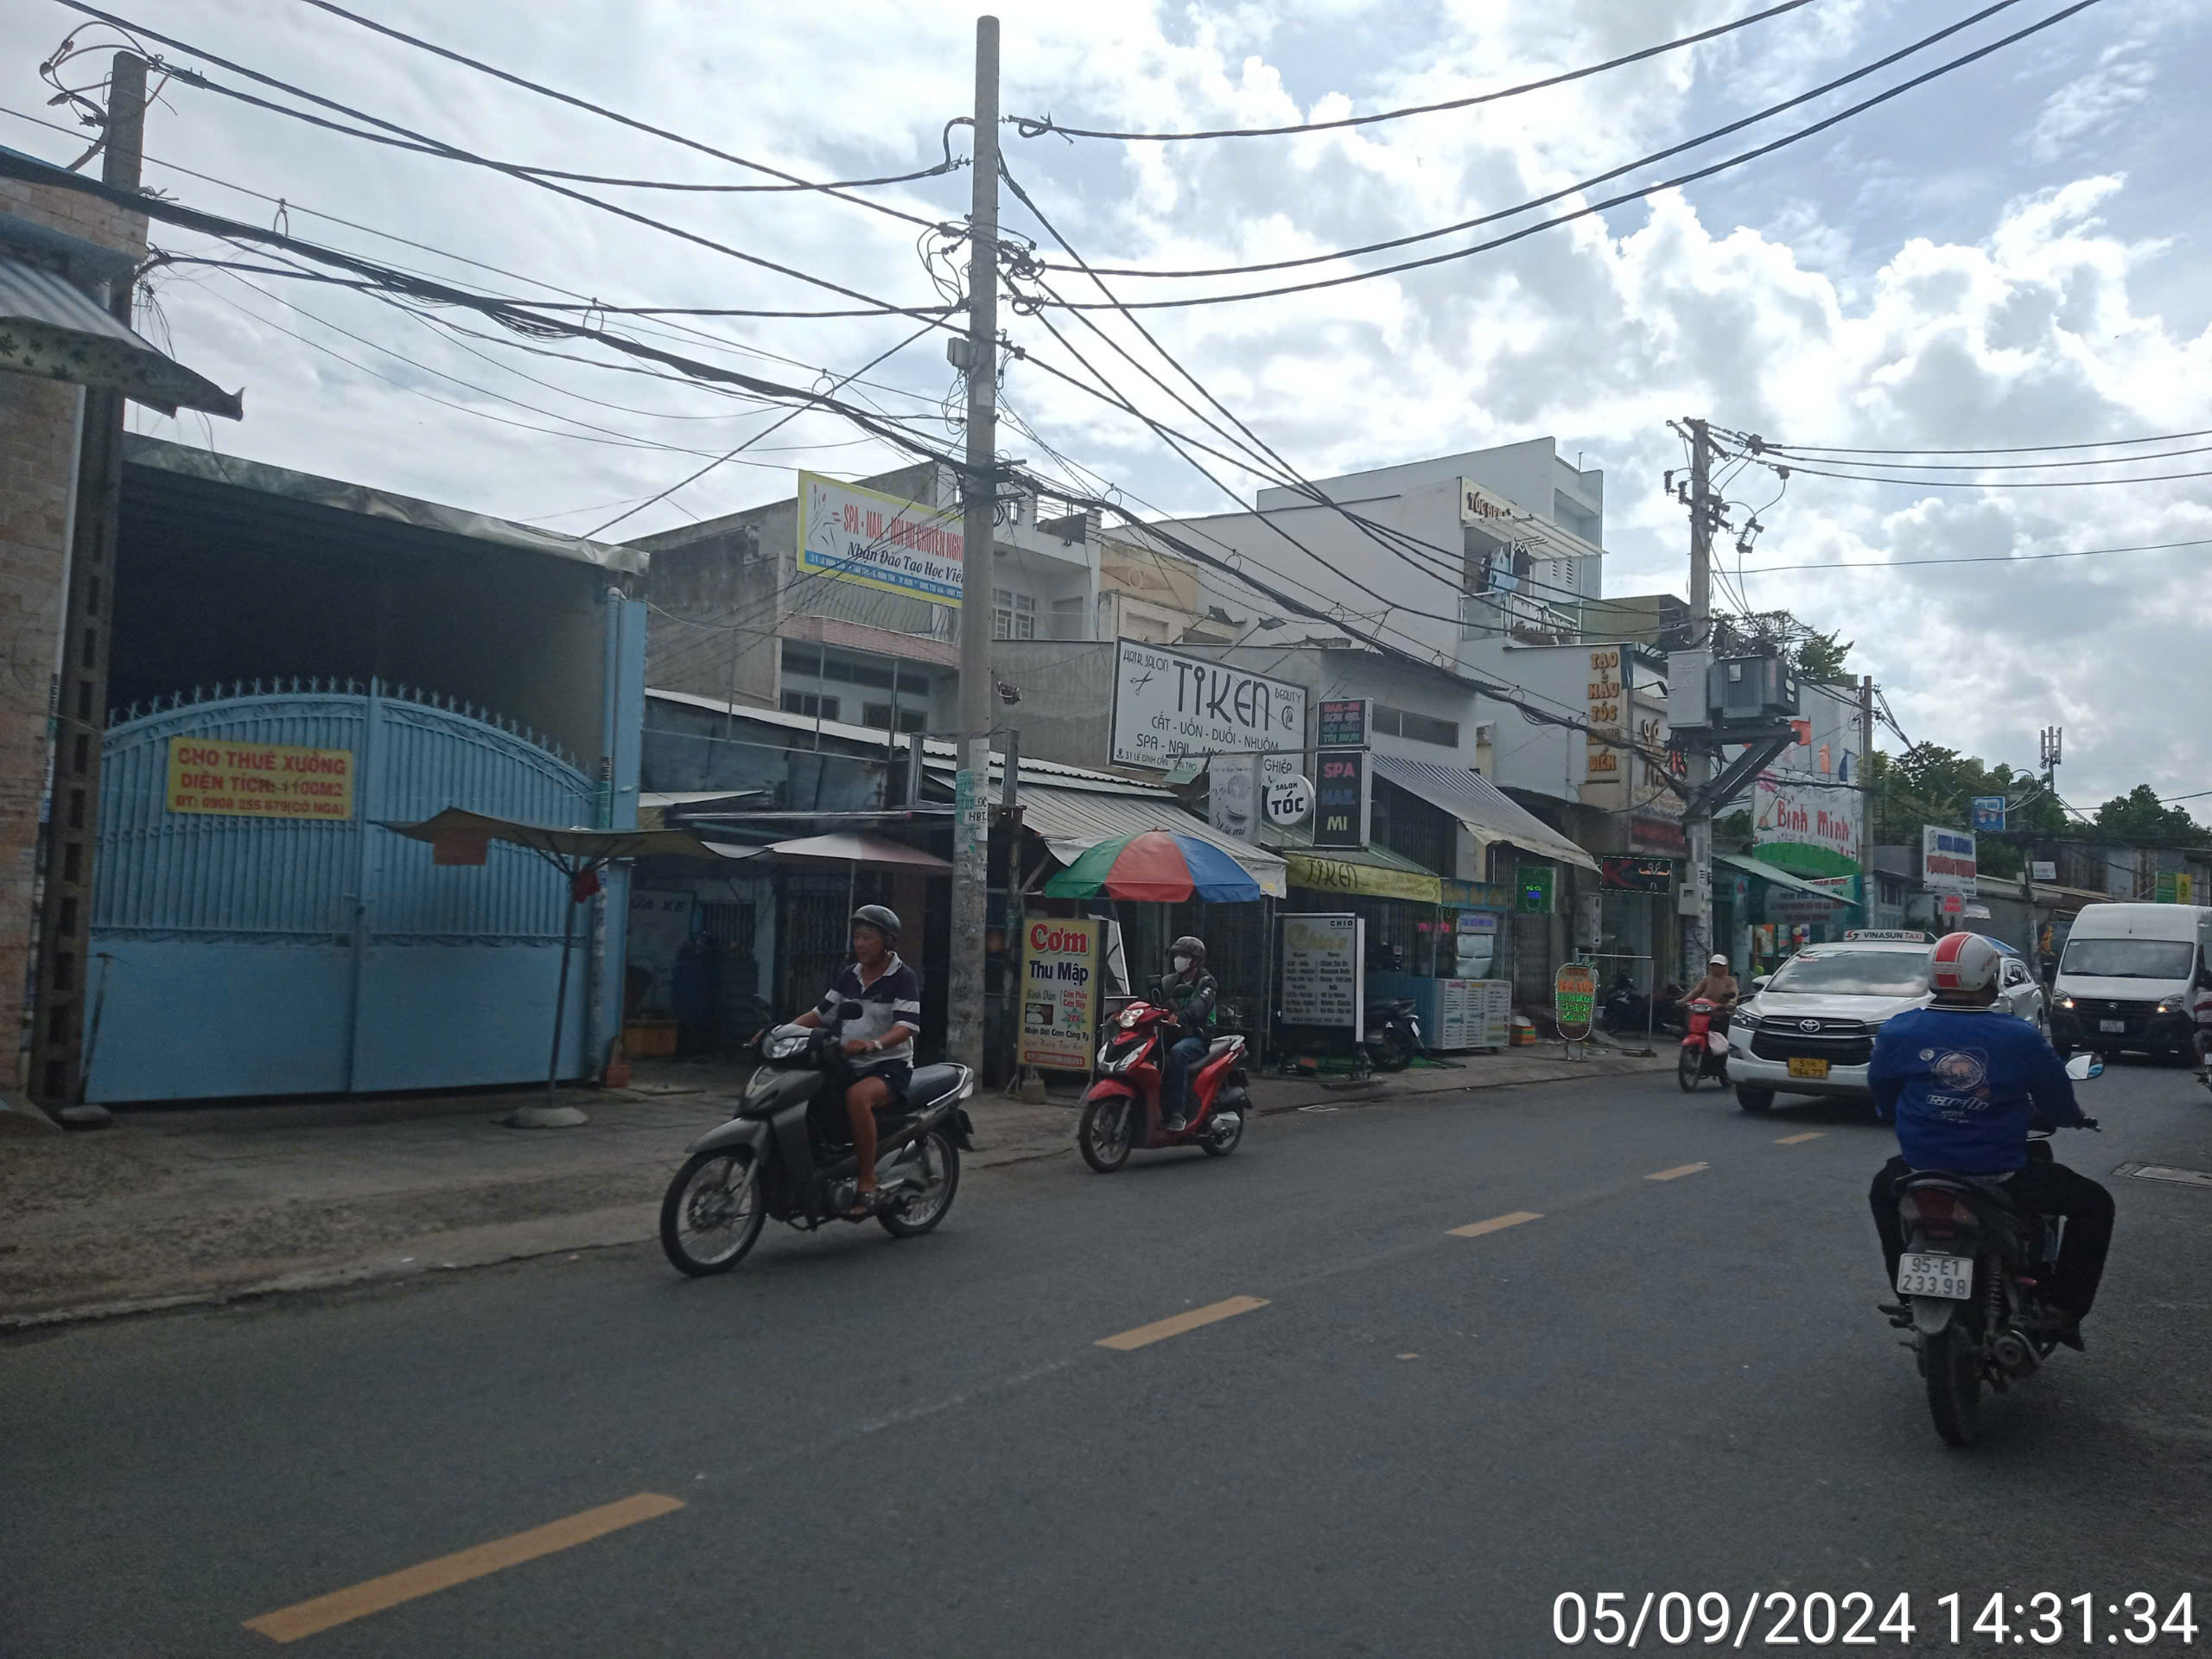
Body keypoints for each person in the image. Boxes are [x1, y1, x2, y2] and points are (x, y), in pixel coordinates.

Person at [1866, 931, 2114, 1344]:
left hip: (1919, 1170)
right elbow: (2057, 1104)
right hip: (1999, 1176)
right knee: (2095, 1204)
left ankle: (1907, 1296)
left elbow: (1883, 1096)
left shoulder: (1898, 1031)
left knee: (1883, 1192)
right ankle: (2061, 1307)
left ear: (1933, 979)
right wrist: (2073, 1118)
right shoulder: (2020, 1037)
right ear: (1989, 979)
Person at [791, 905, 921, 1218]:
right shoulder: (850, 975)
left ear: (887, 941)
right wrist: (780, 1032)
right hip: (849, 1063)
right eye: (857, 937)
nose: (860, 944)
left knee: (857, 1098)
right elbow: (820, 1015)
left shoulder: (902, 977)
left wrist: (872, 1044)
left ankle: (867, 1179)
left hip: (889, 1066)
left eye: (868, 937)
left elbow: (906, 1027)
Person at [1151, 934, 1218, 1133]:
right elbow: (1152, 999)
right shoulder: (1170, 981)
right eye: (1177, 955)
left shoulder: (1207, 983)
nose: (1178, 959)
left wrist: (1180, 1015)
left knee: (1178, 1053)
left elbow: (1199, 1008)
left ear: (1195, 960)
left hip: (1198, 1036)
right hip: (1174, 1033)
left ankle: (1177, 1113)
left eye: (1184, 955)